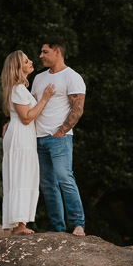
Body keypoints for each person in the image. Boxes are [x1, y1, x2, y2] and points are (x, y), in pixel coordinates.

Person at [31, 39, 87, 236]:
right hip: (38, 138)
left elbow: (77, 109)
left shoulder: (72, 77)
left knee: (64, 178)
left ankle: (78, 224)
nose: (41, 56)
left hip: (59, 138)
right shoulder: (38, 78)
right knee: (47, 184)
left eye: (44, 52)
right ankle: (58, 228)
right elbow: (32, 107)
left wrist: (62, 131)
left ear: (57, 52)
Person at [1, 51, 55, 234]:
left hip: (24, 136)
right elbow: (26, 117)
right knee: (20, 177)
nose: (31, 61)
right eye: (26, 61)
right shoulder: (17, 89)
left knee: (25, 176)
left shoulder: (20, 89)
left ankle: (20, 222)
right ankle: (19, 225)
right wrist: (45, 99)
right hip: (20, 137)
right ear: (18, 68)